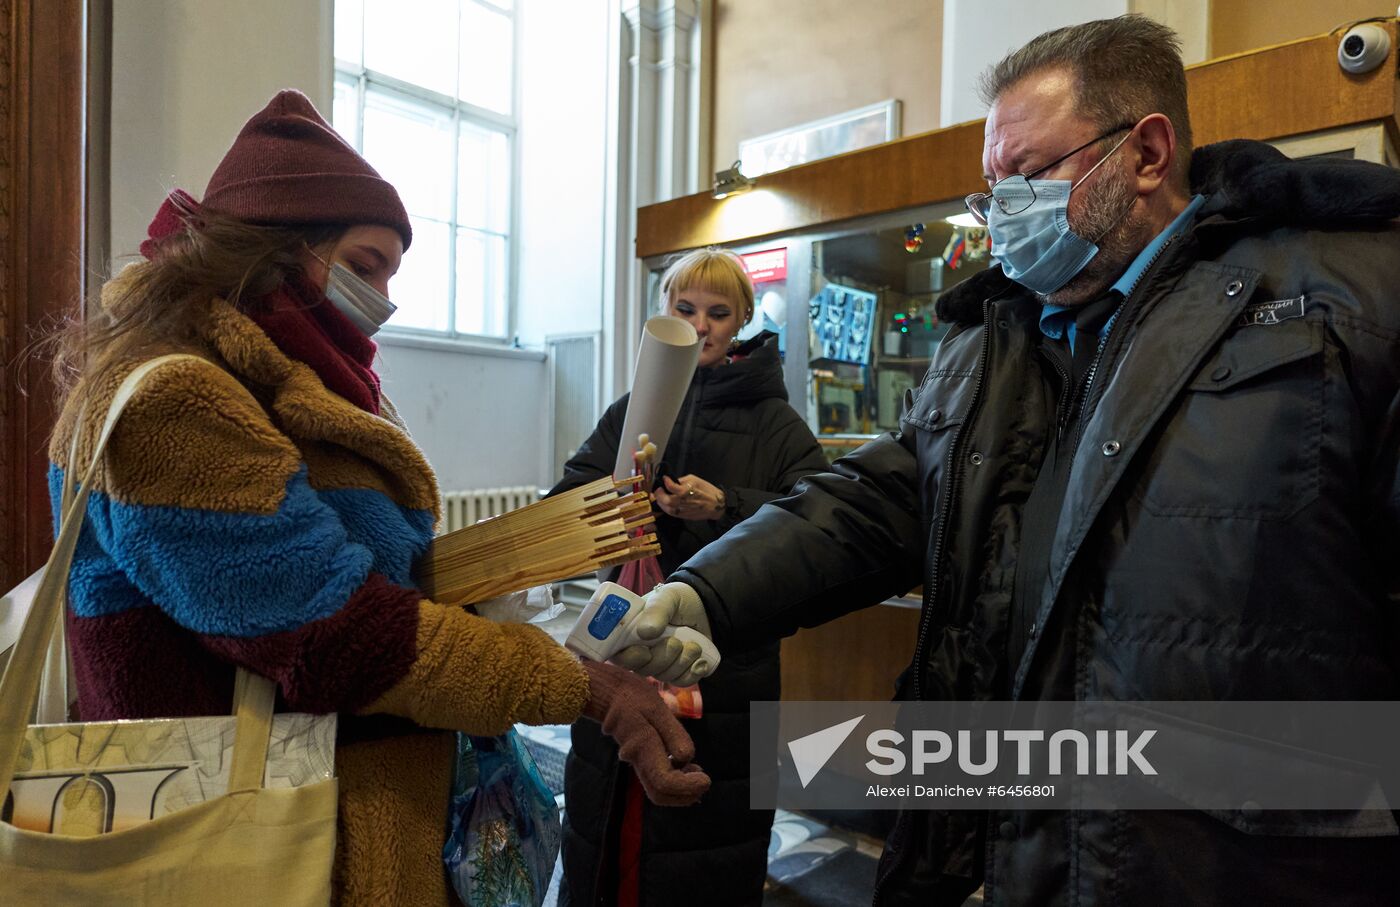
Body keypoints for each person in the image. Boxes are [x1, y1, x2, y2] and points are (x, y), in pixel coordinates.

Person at [612, 15, 1400, 907]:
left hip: (1225, 861)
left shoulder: (1341, 301)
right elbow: (878, 500)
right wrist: (710, 588)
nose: (1001, 214)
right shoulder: (991, 337)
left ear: (1145, 153)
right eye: (993, 188)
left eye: (1028, 176)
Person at [43, 89, 708, 906]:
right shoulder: (173, 400)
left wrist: (538, 621)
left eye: (391, 273)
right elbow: (338, 637)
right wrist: (588, 689)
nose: (382, 298)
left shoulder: (304, 387)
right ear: (274, 247)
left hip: (344, 827)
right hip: (239, 845)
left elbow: (377, 580)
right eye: (363, 266)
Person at [551, 248, 828, 907]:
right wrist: (622, 492)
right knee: (603, 817)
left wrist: (725, 504)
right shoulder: (632, 409)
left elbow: (819, 524)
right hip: (619, 650)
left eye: (718, 312)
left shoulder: (777, 423)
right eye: (685, 308)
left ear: (742, 322)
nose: (700, 325)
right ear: (665, 312)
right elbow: (565, 503)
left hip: (727, 667)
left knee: (705, 837)